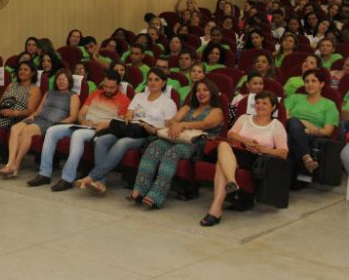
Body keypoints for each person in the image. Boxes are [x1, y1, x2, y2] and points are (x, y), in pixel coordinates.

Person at [77, 69, 177, 194]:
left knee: (122, 143)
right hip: (131, 129)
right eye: (150, 79)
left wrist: (151, 128)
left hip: (147, 133)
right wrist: (129, 119)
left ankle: (92, 177)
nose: (153, 82)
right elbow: (128, 115)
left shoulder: (168, 103)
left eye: (156, 80)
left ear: (163, 83)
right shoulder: (139, 97)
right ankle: (100, 182)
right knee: (101, 140)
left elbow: (167, 128)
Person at [128, 79, 224, 209]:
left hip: (197, 143)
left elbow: (205, 124)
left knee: (172, 153)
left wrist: (183, 124)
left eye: (205, 90)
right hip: (176, 137)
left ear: (212, 92)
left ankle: (156, 195)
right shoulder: (187, 108)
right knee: (154, 147)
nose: (201, 93)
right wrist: (175, 125)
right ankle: (139, 190)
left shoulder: (217, 111)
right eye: (198, 91)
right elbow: (173, 121)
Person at [27, 69, 131, 189]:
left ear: (118, 86)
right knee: (52, 131)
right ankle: (44, 173)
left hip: (100, 130)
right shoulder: (95, 94)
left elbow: (121, 123)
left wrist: (105, 124)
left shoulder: (124, 100)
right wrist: (84, 121)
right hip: (85, 125)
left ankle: (67, 178)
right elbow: (81, 113)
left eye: (111, 88)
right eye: (105, 86)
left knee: (77, 135)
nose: (107, 90)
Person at [200, 91, 288, 226]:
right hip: (237, 150)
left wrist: (262, 149)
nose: (260, 105)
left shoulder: (276, 126)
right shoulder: (244, 118)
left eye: (265, 103)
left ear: (273, 107)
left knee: (221, 163)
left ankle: (217, 208)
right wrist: (245, 140)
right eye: (258, 103)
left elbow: (283, 152)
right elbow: (231, 134)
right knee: (223, 145)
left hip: (255, 158)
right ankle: (228, 187)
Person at [0, 68, 80, 178]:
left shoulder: (73, 96)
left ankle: (16, 165)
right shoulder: (49, 93)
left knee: (27, 131)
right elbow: (38, 110)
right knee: (15, 128)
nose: (61, 82)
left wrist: (58, 124)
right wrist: (29, 118)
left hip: (52, 122)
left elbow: (73, 117)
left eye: (64, 79)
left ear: (69, 81)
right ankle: (10, 163)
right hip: (39, 119)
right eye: (59, 79)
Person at [284, 69, 339, 175]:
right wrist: (305, 124)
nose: (309, 84)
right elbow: (284, 117)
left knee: (290, 137)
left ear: (321, 84)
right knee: (293, 122)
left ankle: (287, 177)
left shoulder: (329, 105)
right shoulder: (294, 98)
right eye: (307, 81)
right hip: (291, 128)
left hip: (311, 136)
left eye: (314, 81)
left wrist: (308, 131)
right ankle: (306, 158)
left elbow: (327, 131)